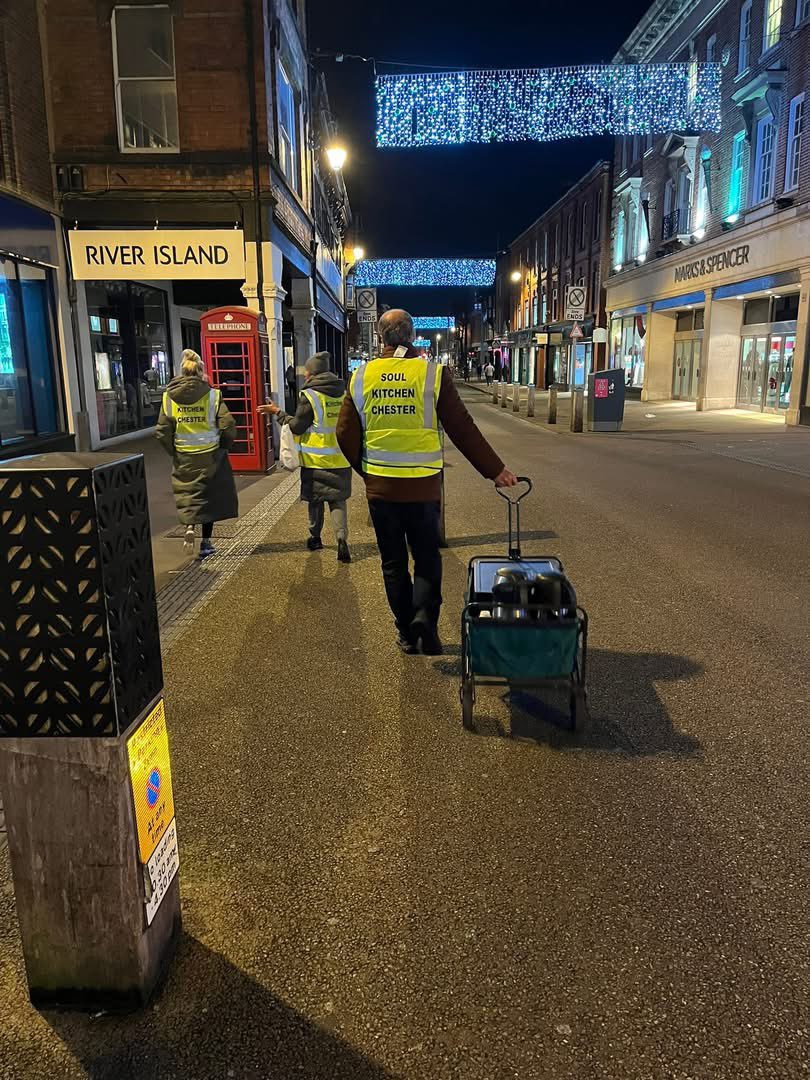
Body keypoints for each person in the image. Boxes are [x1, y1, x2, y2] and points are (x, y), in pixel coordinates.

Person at [337, 309, 517, 656]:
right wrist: (495, 470)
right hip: (423, 488)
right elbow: (462, 426)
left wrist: (367, 470)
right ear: (412, 335)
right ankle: (424, 617)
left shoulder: (361, 376)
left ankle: (406, 630)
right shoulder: (432, 374)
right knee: (426, 556)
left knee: (392, 562)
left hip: (382, 489)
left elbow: (344, 432)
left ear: (381, 337)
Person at [259, 351, 352, 563]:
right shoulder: (344, 393)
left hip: (316, 460)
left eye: (307, 373)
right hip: (341, 458)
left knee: (316, 500)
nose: (306, 377)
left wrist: (277, 412)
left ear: (312, 373)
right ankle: (341, 539)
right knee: (338, 501)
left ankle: (315, 538)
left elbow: (297, 426)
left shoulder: (310, 395)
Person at [156, 350, 238, 560]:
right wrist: (224, 446)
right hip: (209, 454)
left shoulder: (168, 397)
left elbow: (162, 431)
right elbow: (228, 425)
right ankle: (206, 543)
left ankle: (189, 526)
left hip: (183, 454)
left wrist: (172, 451)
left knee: (188, 493)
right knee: (208, 498)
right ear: (201, 371)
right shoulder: (213, 395)